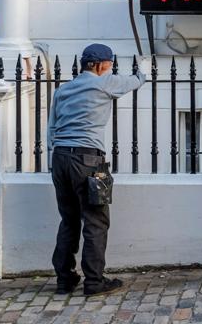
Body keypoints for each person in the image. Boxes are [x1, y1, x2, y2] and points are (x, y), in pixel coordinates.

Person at [47, 43, 149, 297]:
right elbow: (136, 81)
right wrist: (143, 69)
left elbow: (51, 128)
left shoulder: (62, 90)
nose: (111, 69)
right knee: (96, 221)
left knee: (68, 219)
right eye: (110, 64)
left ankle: (64, 279)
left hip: (60, 157)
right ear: (100, 64)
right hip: (89, 159)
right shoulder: (104, 83)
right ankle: (94, 281)